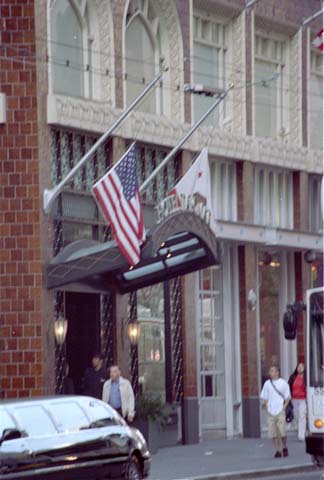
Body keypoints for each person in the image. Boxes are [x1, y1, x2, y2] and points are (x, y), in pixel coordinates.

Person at [260, 365, 291, 458]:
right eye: (270, 371)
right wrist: (267, 406)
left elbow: (288, 397)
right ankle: (277, 450)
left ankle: (284, 447)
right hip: (271, 411)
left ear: (277, 372)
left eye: (273, 371)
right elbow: (265, 396)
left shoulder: (283, 383)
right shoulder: (267, 384)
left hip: (280, 410)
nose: (271, 373)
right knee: (273, 432)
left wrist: (284, 407)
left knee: (282, 431)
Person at [288, 362, 307, 441]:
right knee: (296, 415)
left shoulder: (306, 378)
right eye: (298, 367)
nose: (300, 368)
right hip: (294, 399)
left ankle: (301, 435)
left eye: (302, 367)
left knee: (302, 416)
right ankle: (300, 429)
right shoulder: (293, 377)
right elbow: (288, 386)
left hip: (303, 399)